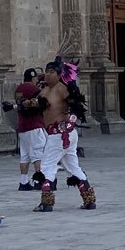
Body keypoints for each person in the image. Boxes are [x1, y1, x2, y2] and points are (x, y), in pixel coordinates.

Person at [32, 57, 96, 211]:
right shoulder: (45, 90)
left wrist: (71, 122)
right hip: (57, 135)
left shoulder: (61, 88)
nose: (48, 74)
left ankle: (46, 203)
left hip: (60, 134)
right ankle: (89, 200)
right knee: (73, 167)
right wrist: (21, 104)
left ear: (59, 74)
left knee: (47, 166)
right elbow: (37, 103)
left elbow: (76, 104)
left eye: (51, 72)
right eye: (46, 71)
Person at [13, 68, 45, 190]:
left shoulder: (18, 89)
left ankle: (23, 182)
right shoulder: (35, 90)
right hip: (34, 125)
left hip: (22, 126)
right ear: (33, 78)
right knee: (38, 154)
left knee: (24, 156)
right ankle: (38, 181)